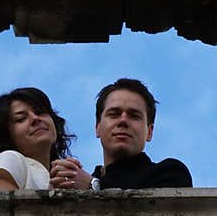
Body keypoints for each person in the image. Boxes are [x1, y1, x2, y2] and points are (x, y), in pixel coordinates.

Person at [49, 77, 193, 190]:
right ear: (97, 127)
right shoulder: (79, 183)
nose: (123, 121)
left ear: (149, 132)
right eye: (114, 114)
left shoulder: (171, 174)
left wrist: (93, 186)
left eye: (134, 115)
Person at [0, 87, 75, 191]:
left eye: (40, 112)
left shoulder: (62, 177)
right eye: (21, 119)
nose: (35, 118)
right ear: (6, 134)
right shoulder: (10, 158)